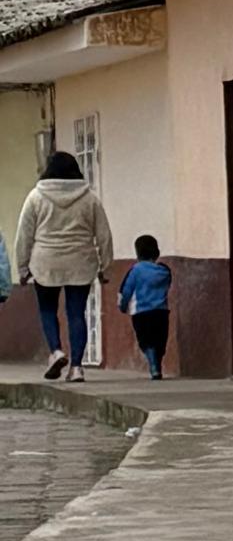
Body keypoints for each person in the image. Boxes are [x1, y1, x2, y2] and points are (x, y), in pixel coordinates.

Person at [15, 150, 112, 382]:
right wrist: (105, 267)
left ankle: (56, 351)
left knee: (48, 310)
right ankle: (77, 367)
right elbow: (104, 235)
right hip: (80, 262)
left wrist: (22, 268)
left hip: (45, 263)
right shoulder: (89, 198)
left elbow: (24, 235)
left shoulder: (36, 197)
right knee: (76, 313)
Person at [119, 234, 171, 380]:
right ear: (157, 253)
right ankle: (157, 365)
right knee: (160, 341)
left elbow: (126, 291)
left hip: (141, 313)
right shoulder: (164, 271)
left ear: (137, 254)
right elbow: (168, 285)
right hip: (161, 312)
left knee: (146, 341)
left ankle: (152, 363)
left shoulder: (135, 271)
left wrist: (123, 306)